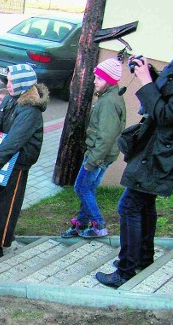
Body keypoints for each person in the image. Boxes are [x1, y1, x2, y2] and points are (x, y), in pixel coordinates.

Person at [96, 34, 173, 288]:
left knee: (129, 206)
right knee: (143, 204)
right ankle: (143, 257)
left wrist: (144, 81)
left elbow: (168, 115)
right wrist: (149, 72)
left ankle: (125, 270)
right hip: (156, 150)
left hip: (161, 153)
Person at [0, 64, 49, 263]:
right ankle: (0, 234)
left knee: (5, 203)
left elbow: (13, 141)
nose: (8, 84)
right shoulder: (9, 99)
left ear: (23, 84)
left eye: (13, 81)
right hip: (2, 158)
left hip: (17, 162)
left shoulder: (31, 111)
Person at [61, 58, 126, 239]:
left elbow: (106, 136)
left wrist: (93, 161)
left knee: (81, 187)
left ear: (109, 80)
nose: (95, 81)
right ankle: (81, 224)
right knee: (88, 188)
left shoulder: (108, 103)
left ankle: (99, 225)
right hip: (102, 154)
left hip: (98, 155)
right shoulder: (109, 97)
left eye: (98, 78)